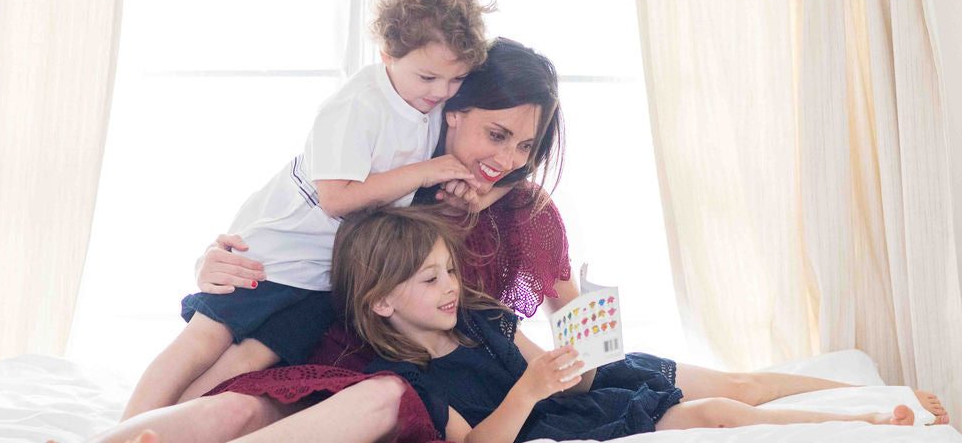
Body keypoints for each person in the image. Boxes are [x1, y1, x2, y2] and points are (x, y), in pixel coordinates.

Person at [95, 40, 948, 443]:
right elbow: (290, 235)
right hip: (366, 357)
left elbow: (580, 324)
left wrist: (583, 331)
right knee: (237, 400)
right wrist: (212, 258)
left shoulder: (529, 212)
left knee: (732, 383)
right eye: (493, 133)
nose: (503, 158)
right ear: (450, 109)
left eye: (522, 146)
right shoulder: (395, 175)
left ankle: (880, 402)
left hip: (500, 363)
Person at [121, 0, 494, 419]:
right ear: (387, 53)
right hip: (275, 253)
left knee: (248, 361)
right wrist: (425, 171)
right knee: (205, 340)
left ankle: (163, 432)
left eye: (455, 80)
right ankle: (120, 432)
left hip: (323, 275)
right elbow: (336, 198)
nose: (441, 92)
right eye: (428, 78)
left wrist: (446, 183)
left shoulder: (426, 103)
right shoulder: (358, 105)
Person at [344, 207, 923, 442]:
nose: (450, 285)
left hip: (586, 393)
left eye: (449, 270)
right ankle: (870, 415)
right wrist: (533, 388)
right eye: (429, 280)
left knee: (736, 394)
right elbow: (474, 442)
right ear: (381, 302)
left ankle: (868, 406)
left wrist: (579, 348)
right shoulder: (402, 377)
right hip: (552, 423)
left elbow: (556, 372)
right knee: (722, 409)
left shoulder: (482, 317)